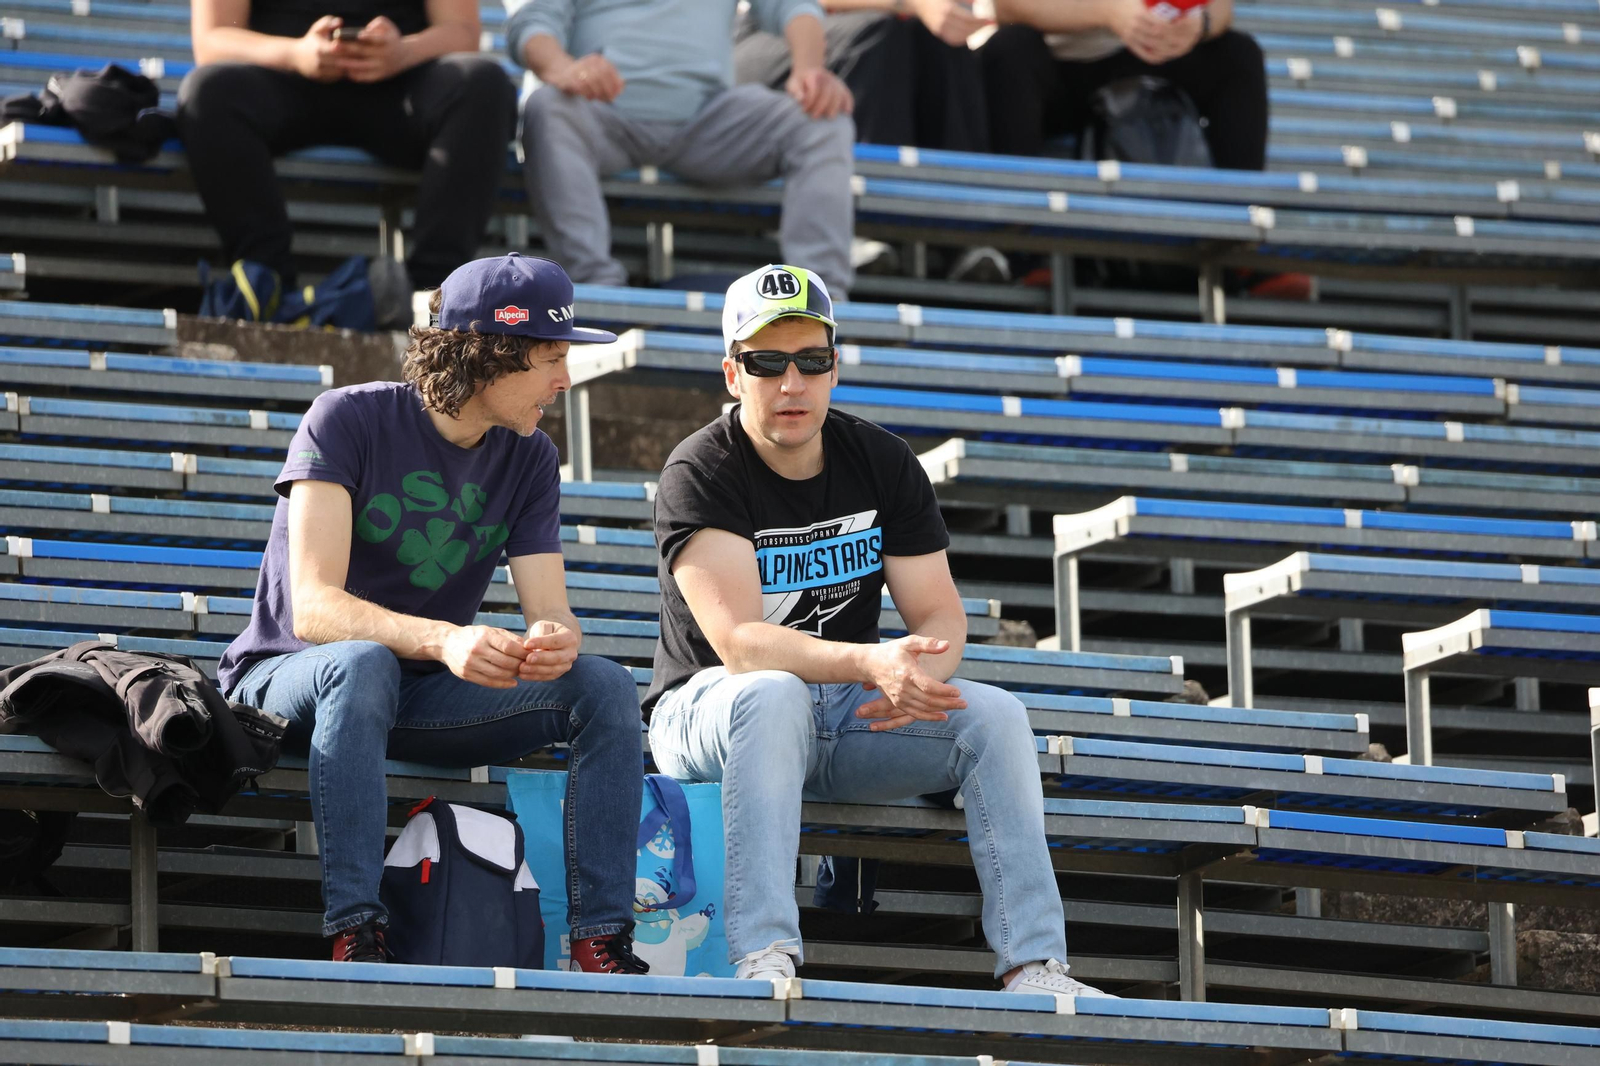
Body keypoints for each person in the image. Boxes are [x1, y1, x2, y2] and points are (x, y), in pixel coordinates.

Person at [643, 262, 1114, 997]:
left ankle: (1033, 965)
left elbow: (940, 615)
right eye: (768, 363)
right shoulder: (699, 468)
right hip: (705, 711)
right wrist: (872, 662)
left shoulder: (882, 459)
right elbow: (738, 644)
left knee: (995, 718)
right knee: (770, 694)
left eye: (811, 360)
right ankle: (763, 955)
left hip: (837, 708)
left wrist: (920, 672)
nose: (792, 383)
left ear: (836, 367)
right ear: (733, 373)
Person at [218, 254, 648, 972]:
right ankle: (357, 932)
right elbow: (314, 608)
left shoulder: (532, 457)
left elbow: (553, 613)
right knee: (361, 664)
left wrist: (552, 641)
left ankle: (601, 940)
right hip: (288, 680)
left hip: (414, 691)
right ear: (486, 355)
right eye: (549, 359)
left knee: (602, 687)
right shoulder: (345, 419)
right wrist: (446, 639)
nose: (565, 381)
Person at [178, 0, 517, 322]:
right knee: (206, 93)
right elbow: (212, 39)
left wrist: (404, 52)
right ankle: (266, 284)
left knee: (485, 84)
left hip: (403, 85)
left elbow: (461, 32)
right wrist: (294, 54)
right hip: (280, 77)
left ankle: (433, 299)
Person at [504, 0, 856, 297]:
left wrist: (809, 70)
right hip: (595, 112)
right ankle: (593, 289)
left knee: (822, 118)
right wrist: (566, 69)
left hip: (708, 117)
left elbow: (791, 5)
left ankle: (816, 298)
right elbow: (532, 23)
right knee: (547, 108)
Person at [733, 0, 1009, 282]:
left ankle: (963, 232)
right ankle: (860, 227)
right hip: (755, 44)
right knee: (878, 31)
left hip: (864, 42)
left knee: (942, 39)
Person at [980, 0, 1267, 170]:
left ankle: (1243, 243)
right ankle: (1020, 247)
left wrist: (1199, 24)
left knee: (1239, 54)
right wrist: (1107, 12)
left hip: (1145, 58)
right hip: (1058, 67)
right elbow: (1005, 6)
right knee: (1010, 49)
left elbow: (1220, 8)